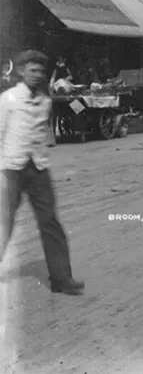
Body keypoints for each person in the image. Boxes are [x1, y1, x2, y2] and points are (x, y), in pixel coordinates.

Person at [0, 50, 84, 295]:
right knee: (4, 222)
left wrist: (41, 158)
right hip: (10, 169)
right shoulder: (8, 99)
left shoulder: (46, 101)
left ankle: (61, 278)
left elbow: (42, 135)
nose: (36, 75)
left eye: (40, 71)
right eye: (31, 70)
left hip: (37, 169)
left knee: (49, 221)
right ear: (21, 71)